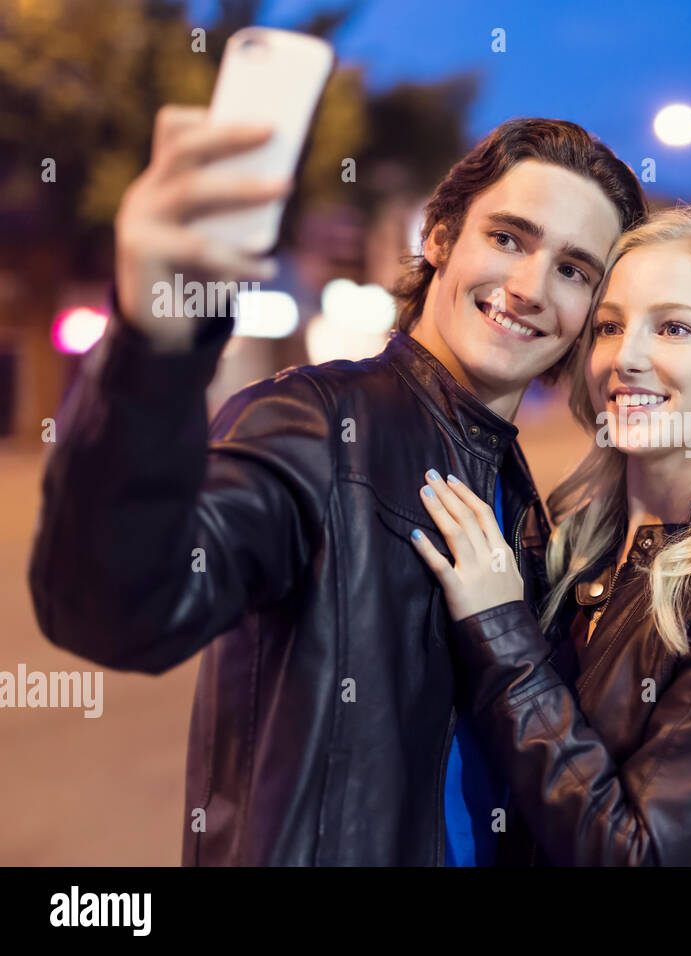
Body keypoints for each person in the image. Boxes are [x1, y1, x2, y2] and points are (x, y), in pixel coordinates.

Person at [27, 107, 647, 865]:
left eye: (573, 270)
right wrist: (154, 343)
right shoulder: (315, 422)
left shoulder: (519, 497)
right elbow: (122, 606)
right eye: (508, 238)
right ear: (439, 237)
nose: (528, 286)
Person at [410, 205, 691, 866]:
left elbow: (636, 854)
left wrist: (500, 628)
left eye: (673, 327)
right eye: (609, 326)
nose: (626, 357)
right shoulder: (572, 547)